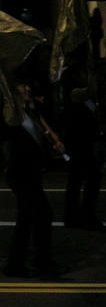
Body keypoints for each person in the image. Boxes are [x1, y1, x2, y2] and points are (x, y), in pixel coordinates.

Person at [3, 79, 67, 278]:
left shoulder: (32, 111)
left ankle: (16, 265)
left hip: (32, 172)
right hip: (19, 172)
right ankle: (41, 262)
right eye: (21, 86)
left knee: (26, 217)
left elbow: (50, 133)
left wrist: (58, 144)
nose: (27, 88)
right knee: (42, 213)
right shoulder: (10, 114)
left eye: (27, 85)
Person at [62, 86, 104, 230]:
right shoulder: (82, 111)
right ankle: (86, 214)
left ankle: (71, 216)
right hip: (83, 150)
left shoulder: (69, 110)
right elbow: (91, 130)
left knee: (74, 184)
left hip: (75, 151)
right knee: (91, 180)